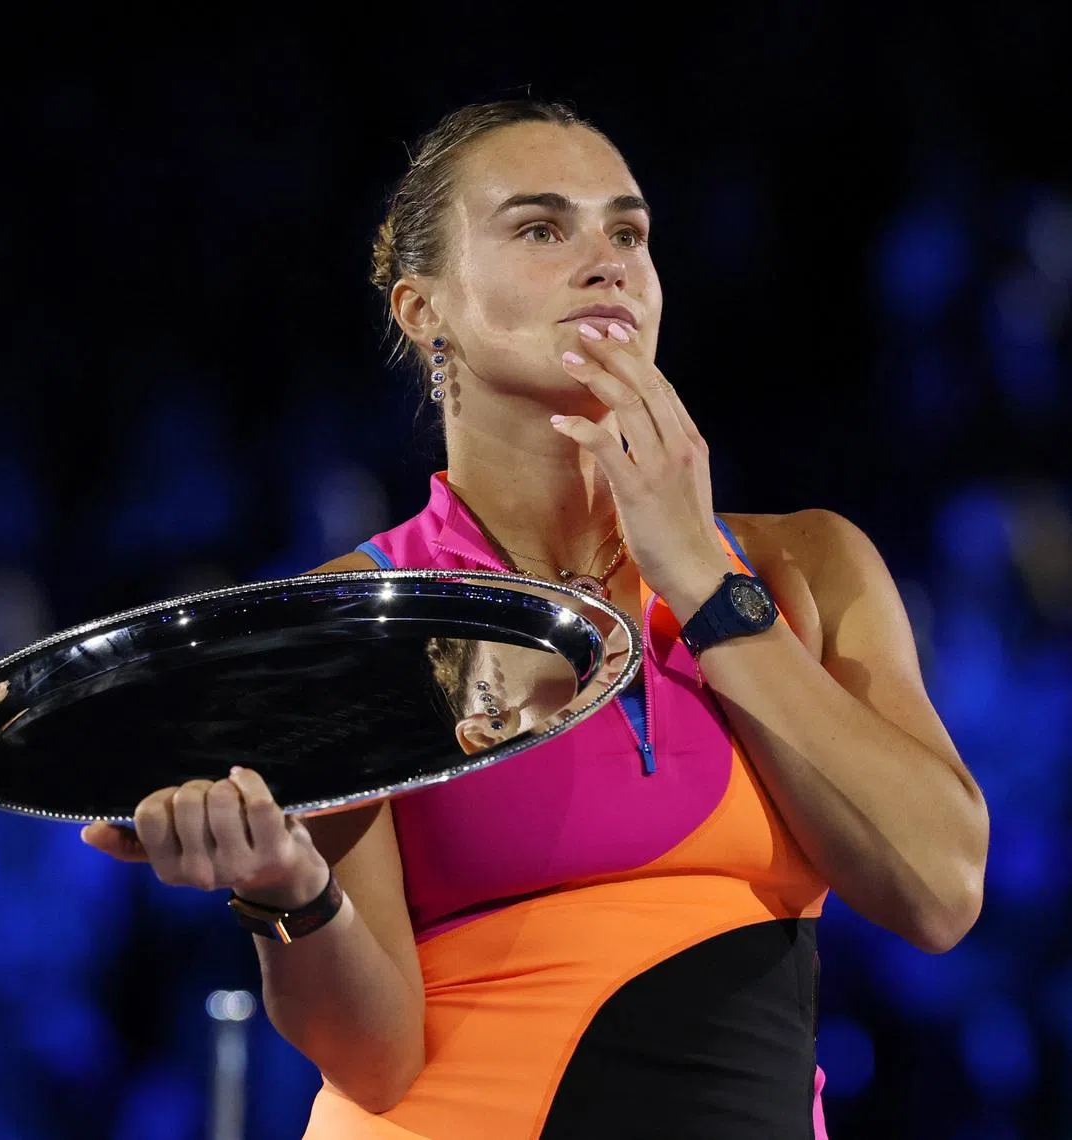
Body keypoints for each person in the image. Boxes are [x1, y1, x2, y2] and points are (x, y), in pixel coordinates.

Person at [82, 99, 990, 1138]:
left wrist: (700, 578)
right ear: (425, 311)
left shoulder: (803, 565)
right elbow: (374, 1061)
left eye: (628, 231)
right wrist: (285, 892)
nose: (605, 261)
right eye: (540, 228)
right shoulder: (359, 617)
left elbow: (940, 888)